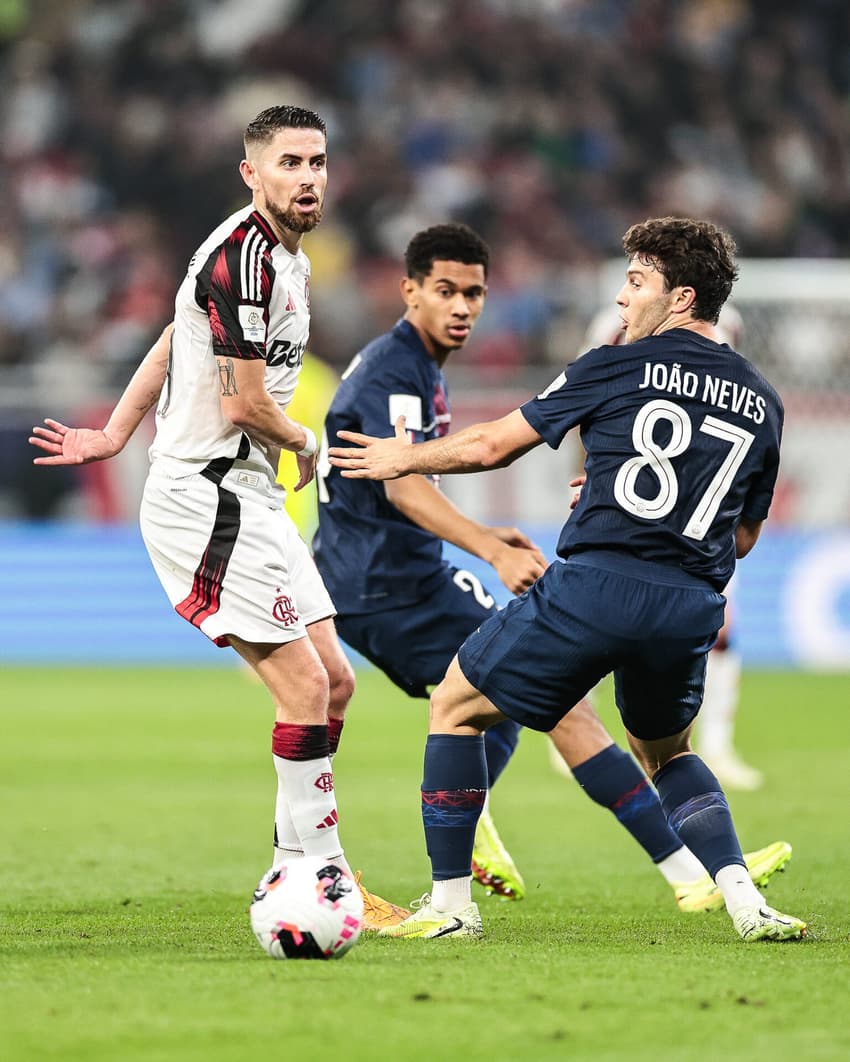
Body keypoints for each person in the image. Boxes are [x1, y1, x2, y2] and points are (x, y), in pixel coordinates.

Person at [328, 216, 807, 943]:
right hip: (690, 604)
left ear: (679, 297)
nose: (622, 298)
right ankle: (741, 901)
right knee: (670, 751)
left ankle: (452, 907)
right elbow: (741, 535)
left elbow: (494, 445)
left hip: (596, 586)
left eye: (636, 281)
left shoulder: (614, 362)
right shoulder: (763, 399)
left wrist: (406, 460)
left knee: (457, 703)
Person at [29, 104, 407, 932]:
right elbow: (241, 405)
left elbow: (176, 335)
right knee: (305, 688)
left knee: (337, 683)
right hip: (207, 497)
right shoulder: (242, 259)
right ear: (252, 173)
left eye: (317, 162)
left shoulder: (288, 261)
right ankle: (319, 881)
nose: (308, 178)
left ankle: (301, 868)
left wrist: (115, 430)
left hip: (252, 498)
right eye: (289, 164)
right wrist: (306, 439)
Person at [574, 303, 762, 790]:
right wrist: (599, 476)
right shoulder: (615, 325)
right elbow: (586, 406)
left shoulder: (729, 323)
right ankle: (581, 733)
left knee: (721, 628)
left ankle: (717, 745)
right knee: (593, 615)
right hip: (629, 497)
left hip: (700, 508)